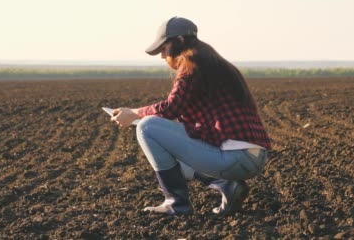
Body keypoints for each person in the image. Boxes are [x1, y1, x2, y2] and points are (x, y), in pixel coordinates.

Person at [111, 16, 272, 216]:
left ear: (178, 42)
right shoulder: (216, 63)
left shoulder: (190, 63)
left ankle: (176, 203)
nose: (162, 56)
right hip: (253, 156)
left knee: (147, 127)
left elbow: (171, 109)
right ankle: (227, 185)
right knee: (170, 149)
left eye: (163, 49)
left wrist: (134, 113)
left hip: (235, 157)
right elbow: (184, 122)